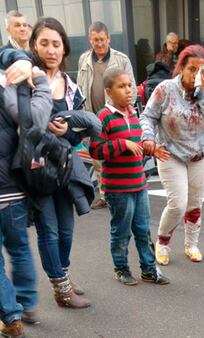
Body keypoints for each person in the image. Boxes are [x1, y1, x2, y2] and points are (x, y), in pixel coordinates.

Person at [9, 17, 92, 309]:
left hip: (63, 167)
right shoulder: (27, 78)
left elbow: (78, 131)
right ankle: (61, 288)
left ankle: (63, 274)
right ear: (33, 46)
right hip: (36, 167)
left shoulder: (72, 87)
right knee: (49, 229)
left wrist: (66, 131)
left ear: (64, 48)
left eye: (56, 44)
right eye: (44, 43)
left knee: (67, 229)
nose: (51, 50)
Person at [140, 45, 204, 266]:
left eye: (202, 70)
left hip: (200, 156)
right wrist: (148, 138)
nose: (196, 74)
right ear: (181, 69)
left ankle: (191, 244)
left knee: (194, 204)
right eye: (191, 69)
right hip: (170, 154)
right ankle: (162, 242)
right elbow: (147, 116)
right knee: (178, 203)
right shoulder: (165, 89)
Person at [89, 67, 170, 285]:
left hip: (138, 184)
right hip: (118, 188)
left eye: (129, 86)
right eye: (121, 86)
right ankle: (121, 269)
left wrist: (149, 149)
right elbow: (96, 150)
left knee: (143, 231)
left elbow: (137, 145)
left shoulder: (135, 115)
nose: (128, 91)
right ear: (108, 91)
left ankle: (148, 270)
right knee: (121, 232)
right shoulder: (104, 117)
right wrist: (122, 144)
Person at [0, 53, 51, 337]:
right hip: (12, 187)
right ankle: (28, 304)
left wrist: (18, 56)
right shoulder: (6, 81)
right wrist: (40, 79)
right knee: (20, 248)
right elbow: (33, 120)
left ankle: (11, 315)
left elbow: (9, 52)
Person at [77, 21, 137, 210]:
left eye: (102, 39)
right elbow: (79, 89)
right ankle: (105, 194)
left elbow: (132, 88)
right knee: (97, 157)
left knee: (117, 153)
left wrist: (125, 111)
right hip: (93, 116)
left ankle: (123, 191)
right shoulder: (84, 60)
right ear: (90, 40)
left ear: (108, 38)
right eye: (95, 40)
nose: (99, 44)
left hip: (115, 115)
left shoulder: (121, 59)